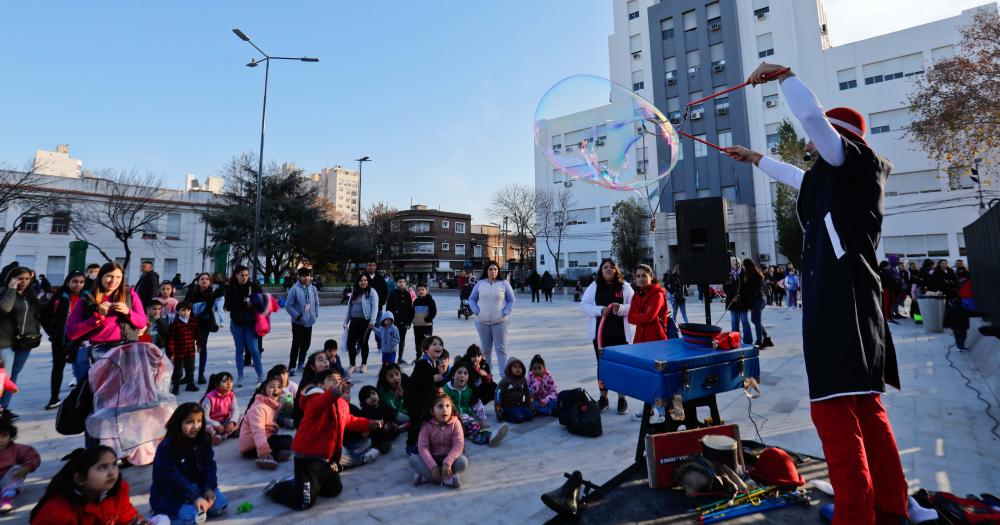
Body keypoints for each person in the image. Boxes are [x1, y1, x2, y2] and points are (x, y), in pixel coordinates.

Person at [724, 61, 906, 524]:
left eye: (818, 139)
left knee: (832, 412)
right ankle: (891, 504)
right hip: (856, 305)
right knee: (867, 408)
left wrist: (784, 76)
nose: (808, 145)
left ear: (839, 135)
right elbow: (792, 176)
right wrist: (754, 158)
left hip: (840, 308)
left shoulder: (851, 162)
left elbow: (811, 121)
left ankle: (855, 514)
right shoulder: (838, 179)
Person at [265, 369, 380, 510]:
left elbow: (349, 420)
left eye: (339, 379)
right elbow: (317, 406)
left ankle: (305, 483)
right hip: (308, 458)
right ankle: (277, 488)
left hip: (327, 459)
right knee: (304, 502)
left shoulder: (342, 403)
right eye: (332, 379)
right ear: (320, 385)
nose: (337, 382)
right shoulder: (314, 398)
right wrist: (334, 392)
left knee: (334, 489)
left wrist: (369, 424)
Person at [29, 445, 167, 525]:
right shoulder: (58, 511)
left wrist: (139, 523)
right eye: (102, 467)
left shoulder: (117, 490)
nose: (112, 472)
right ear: (80, 478)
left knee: (162, 520)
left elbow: (127, 516)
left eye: (114, 464)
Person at [65, 262, 146, 383]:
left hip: (126, 350)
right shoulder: (86, 300)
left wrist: (127, 311)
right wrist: (96, 318)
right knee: (99, 393)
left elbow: (141, 322)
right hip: (96, 353)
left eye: (118, 277)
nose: (114, 280)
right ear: (101, 276)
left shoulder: (130, 295)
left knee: (125, 391)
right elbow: (71, 332)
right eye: (109, 276)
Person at [150, 402, 228, 523]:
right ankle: (167, 515)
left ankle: (198, 507)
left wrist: (209, 488)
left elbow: (209, 465)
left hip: (198, 487)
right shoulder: (167, 447)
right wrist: (195, 497)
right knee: (191, 517)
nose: (195, 426)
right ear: (178, 423)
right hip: (171, 494)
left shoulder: (203, 439)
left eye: (199, 421)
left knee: (221, 504)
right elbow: (172, 478)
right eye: (189, 422)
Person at [580, 258, 633, 414]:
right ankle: (603, 398)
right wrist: (600, 310)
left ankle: (622, 398)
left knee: (620, 366)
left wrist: (621, 308)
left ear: (616, 270)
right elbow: (584, 305)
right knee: (602, 366)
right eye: (605, 267)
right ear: (601, 271)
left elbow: (634, 306)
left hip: (620, 334)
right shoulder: (595, 286)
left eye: (611, 267)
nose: (608, 269)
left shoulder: (625, 287)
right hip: (600, 334)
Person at [39, 271, 87, 410]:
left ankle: (82, 398)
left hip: (81, 340)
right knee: (58, 368)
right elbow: (44, 317)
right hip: (61, 339)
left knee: (82, 369)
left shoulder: (87, 296)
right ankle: (54, 398)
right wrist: (53, 333)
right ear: (68, 282)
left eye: (81, 282)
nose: (78, 285)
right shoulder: (60, 296)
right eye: (74, 281)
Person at [0, 267, 42, 415]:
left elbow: (36, 315)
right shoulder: (4, 292)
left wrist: (35, 331)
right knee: (4, 377)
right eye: (19, 278)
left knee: (14, 375)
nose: (23, 282)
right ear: (12, 278)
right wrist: (11, 289)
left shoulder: (30, 296)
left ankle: (4, 408)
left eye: (26, 279)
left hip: (25, 342)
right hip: (6, 343)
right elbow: (5, 308)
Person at [410, 391, 468, 488]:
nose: (445, 410)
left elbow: (458, 444)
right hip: (431, 459)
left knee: (463, 462)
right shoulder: (426, 425)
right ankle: (448, 478)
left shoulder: (455, 423)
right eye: (440, 406)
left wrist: (448, 462)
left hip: (450, 460)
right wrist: (432, 466)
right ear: (432, 411)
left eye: (447, 406)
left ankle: (426, 477)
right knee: (413, 459)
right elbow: (423, 448)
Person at [469, 261, 515, 373]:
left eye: (495, 269)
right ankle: (487, 375)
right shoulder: (480, 283)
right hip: (482, 321)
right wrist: (476, 311)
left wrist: (505, 312)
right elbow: (472, 299)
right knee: (485, 351)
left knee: (501, 349)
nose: (493, 271)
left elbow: (511, 300)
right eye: (490, 269)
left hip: (500, 321)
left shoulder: (504, 283)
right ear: (486, 271)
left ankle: (504, 376)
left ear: (498, 271)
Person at [404, 335, 448, 452]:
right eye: (434, 344)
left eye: (440, 344)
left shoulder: (433, 364)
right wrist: (433, 378)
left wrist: (440, 376)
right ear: (426, 349)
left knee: (423, 421)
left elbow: (436, 384)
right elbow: (418, 381)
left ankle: (424, 441)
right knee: (416, 422)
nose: (438, 346)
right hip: (414, 400)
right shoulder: (422, 363)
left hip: (424, 400)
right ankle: (411, 445)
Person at [223, 265, 264, 388]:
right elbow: (227, 306)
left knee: (255, 350)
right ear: (236, 275)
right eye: (242, 275)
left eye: (247, 275)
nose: (245, 278)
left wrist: (253, 303)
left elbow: (262, 304)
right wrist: (242, 302)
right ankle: (240, 376)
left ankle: (260, 375)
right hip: (237, 323)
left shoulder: (254, 287)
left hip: (251, 323)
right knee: (239, 350)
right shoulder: (231, 288)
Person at [238, 377, 292, 470]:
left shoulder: (271, 404)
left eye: (279, 387)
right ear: (264, 390)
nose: (276, 389)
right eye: (272, 387)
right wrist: (264, 450)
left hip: (262, 439)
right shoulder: (259, 407)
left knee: (288, 439)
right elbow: (258, 431)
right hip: (252, 446)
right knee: (285, 442)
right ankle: (265, 458)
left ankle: (277, 454)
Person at [185, 273, 225, 384]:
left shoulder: (212, 293)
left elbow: (222, 291)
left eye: (207, 279)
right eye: (202, 279)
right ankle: (189, 374)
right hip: (191, 322)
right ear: (198, 281)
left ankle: (201, 374)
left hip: (205, 323)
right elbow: (186, 304)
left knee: (202, 347)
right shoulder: (192, 291)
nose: (205, 281)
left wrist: (220, 281)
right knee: (188, 347)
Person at [0, 413, 40, 513]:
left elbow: (32, 455)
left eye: (4, 435)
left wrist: (27, 468)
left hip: (8, 479)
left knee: (16, 469)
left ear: (11, 435)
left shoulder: (17, 449)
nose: (1, 440)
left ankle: (6, 500)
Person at [285, 267, 320, 376]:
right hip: (298, 322)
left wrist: (315, 314)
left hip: (309, 321)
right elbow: (288, 306)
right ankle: (292, 366)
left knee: (306, 343)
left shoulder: (312, 288)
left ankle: (301, 363)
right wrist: (298, 316)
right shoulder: (294, 289)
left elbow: (316, 303)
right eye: (304, 276)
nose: (306, 278)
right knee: (296, 344)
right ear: (299, 277)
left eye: (308, 275)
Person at [343, 273, 378, 374]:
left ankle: (364, 364)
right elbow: (349, 308)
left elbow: (375, 307)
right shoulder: (354, 292)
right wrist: (346, 321)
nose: (363, 282)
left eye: (365, 280)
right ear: (358, 282)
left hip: (366, 321)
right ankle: (352, 364)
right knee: (350, 343)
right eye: (361, 280)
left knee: (363, 342)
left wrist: (373, 320)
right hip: (354, 320)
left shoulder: (372, 292)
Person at [627, 264, 669, 344]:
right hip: (639, 338)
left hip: (656, 339)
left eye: (644, 275)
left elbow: (649, 317)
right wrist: (643, 315)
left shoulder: (658, 294)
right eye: (638, 276)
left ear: (651, 277)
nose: (641, 279)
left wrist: (638, 316)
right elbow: (630, 318)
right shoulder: (636, 295)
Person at [291, 351, 331, 428]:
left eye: (326, 358)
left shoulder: (325, 378)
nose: (326, 361)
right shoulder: (310, 386)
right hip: (309, 425)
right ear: (313, 367)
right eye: (321, 360)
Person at [167, 302, 200, 395]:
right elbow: (171, 339)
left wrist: (199, 344)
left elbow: (198, 334)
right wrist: (171, 352)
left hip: (190, 351)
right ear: (177, 312)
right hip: (179, 352)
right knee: (178, 370)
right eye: (183, 310)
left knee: (190, 368)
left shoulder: (193, 322)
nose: (186, 312)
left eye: (188, 310)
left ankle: (190, 384)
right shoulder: (175, 324)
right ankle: (176, 386)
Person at [361, 262, 389, 368]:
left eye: (373, 265)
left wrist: (380, 303)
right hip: (365, 310)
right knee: (363, 329)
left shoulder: (380, 278)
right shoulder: (363, 277)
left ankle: (380, 345)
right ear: (366, 266)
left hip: (378, 309)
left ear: (375, 267)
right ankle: (361, 346)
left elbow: (385, 292)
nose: (371, 267)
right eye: (369, 265)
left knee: (378, 327)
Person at [201, 373, 239, 446]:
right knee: (206, 428)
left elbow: (235, 409)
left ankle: (222, 436)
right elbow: (204, 417)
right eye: (225, 382)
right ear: (216, 385)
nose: (229, 384)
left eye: (230, 381)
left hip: (226, 422)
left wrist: (232, 422)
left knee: (243, 418)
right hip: (213, 423)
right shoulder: (209, 398)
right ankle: (222, 435)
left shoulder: (231, 395)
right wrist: (217, 425)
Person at [741, 259, 771, 347]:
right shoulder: (756, 273)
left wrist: (750, 305)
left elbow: (751, 292)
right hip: (761, 299)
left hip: (757, 300)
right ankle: (766, 337)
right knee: (754, 320)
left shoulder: (751, 277)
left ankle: (759, 341)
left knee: (757, 321)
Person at [495, 357, 533, 423]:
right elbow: (498, 395)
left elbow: (528, 392)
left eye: (520, 367)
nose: (518, 369)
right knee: (519, 418)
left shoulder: (523, 380)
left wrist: (530, 406)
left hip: (519, 404)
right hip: (508, 406)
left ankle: (520, 412)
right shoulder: (505, 381)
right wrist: (499, 411)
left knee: (530, 415)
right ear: (510, 368)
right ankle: (505, 414)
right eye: (515, 367)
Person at [385, 277, 414, 365]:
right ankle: (390, 359)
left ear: (405, 283)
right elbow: (388, 309)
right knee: (392, 341)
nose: (402, 283)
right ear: (396, 283)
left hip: (404, 322)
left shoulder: (407, 294)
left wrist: (409, 322)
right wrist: (389, 321)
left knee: (402, 341)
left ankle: (400, 358)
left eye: (403, 282)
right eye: (400, 282)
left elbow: (410, 309)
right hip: (394, 322)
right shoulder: (392, 294)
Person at [411, 283, 437, 359]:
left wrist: (427, 319)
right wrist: (413, 320)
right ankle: (418, 357)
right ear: (416, 291)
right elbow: (413, 312)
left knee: (427, 343)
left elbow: (433, 312)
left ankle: (427, 357)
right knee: (418, 343)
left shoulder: (430, 301)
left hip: (427, 326)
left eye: (422, 289)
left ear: (426, 290)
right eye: (419, 290)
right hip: (417, 326)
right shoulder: (415, 301)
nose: (421, 291)